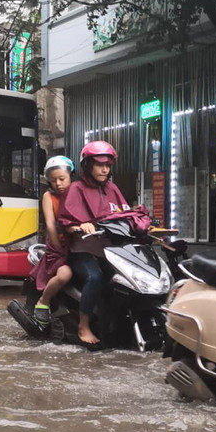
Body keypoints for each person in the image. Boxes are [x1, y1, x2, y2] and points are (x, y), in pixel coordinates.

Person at [57, 141, 130, 345]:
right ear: (88, 165)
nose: (104, 169)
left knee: (125, 280)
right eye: (99, 165)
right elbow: (65, 223)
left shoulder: (113, 188)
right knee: (95, 277)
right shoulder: (75, 189)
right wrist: (80, 226)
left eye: (107, 165)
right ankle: (83, 326)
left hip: (110, 251)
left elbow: (125, 214)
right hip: (82, 251)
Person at [30, 156, 75, 326]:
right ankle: (43, 301)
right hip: (58, 249)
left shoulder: (79, 194)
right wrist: (58, 247)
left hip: (80, 245)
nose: (58, 184)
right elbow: (50, 224)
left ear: (71, 177)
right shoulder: (48, 196)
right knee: (64, 275)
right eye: (54, 180)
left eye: (62, 179)